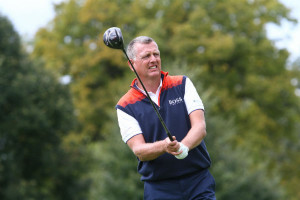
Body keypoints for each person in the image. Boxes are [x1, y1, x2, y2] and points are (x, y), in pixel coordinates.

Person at [116, 36, 216, 200]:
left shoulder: (182, 83)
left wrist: (183, 147)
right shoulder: (125, 105)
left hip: (198, 181)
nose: (153, 59)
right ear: (131, 64)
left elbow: (199, 127)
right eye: (146, 56)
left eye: (156, 54)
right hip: (160, 189)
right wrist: (164, 146)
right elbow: (139, 151)